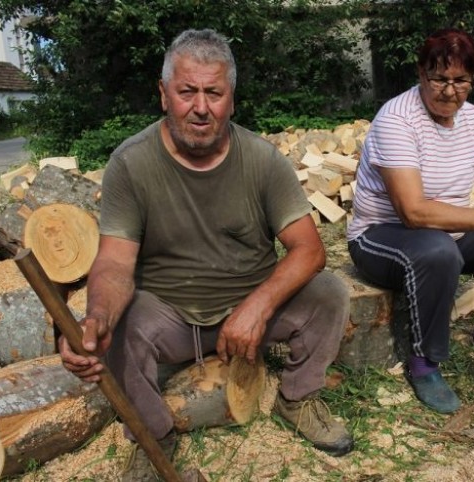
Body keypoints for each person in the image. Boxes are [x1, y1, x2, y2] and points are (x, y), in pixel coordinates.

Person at [58, 28, 354, 480]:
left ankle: (297, 399)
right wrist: (97, 317)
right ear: (164, 94)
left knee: (330, 292)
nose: (200, 107)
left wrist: (257, 306)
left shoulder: (261, 159)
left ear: (231, 99)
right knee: (116, 328)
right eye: (187, 91)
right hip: (171, 315)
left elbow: (310, 250)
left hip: (251, 310)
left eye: (214, 93)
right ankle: (155, 434)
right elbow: (116, 264)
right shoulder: (131, 162)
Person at [347, 28, 474, 414]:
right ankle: (424, 362)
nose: (449, 91)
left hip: (447, 234)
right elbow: (414, 211)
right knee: (438, 249)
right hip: (382, 237)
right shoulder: (397, 119)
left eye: (461, 81)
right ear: (421, 74)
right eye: (439, 79)